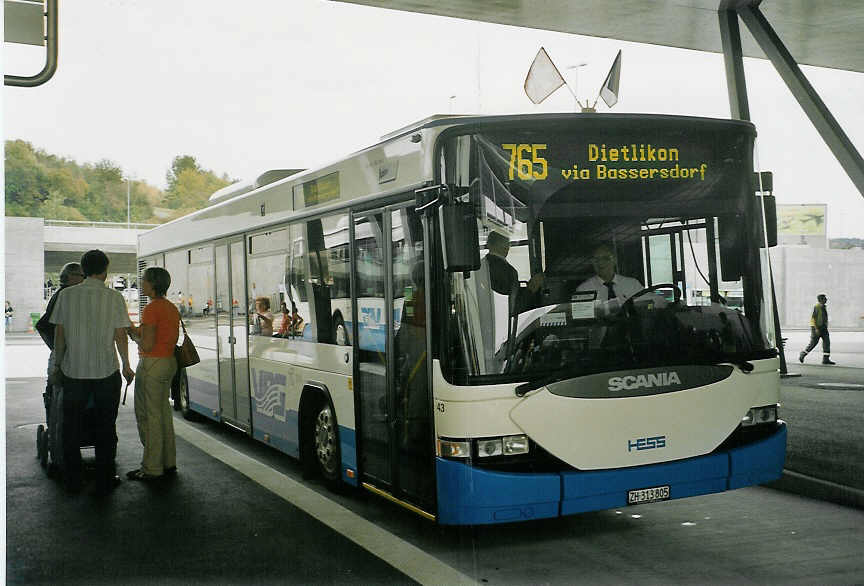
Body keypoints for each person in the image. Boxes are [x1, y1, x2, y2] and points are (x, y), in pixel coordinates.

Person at [48, 250, 134, 494]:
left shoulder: (66, 296)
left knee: (71, 426)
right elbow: (120, 336)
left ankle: (73, 478)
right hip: (106, 372)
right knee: (105, 426)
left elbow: (60, 335)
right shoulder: (114, 298)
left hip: (73, 372)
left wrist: (57, 366)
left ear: (83, 270)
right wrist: (127, 365)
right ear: (105, 270)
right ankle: (105, 478)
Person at [126, 267, 180, 480]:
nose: (141, 284)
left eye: (144, 281)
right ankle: (168, 462)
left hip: (152, 364)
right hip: (168, 362)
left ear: (152, 284)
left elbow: (147, 344)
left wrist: (133, 335)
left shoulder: (151, 309)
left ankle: (151, 467)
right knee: (163, 414)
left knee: (149, 416)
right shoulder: (170, 307)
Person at [37, 263, 85, 410]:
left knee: (58, 396)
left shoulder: (61, 294)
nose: (84, 280)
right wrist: (59, 348)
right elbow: (46, 326)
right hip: (63, 355)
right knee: (61, 400)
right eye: (82, 276)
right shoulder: (65, 296)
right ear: (71, 277)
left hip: (60, 353)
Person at [575, 243, 643, 310]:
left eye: (605, 258)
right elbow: (582, 318)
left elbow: (649, 305)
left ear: (615, 260)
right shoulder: (584, 289)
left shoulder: (632, 284)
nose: (600, 262)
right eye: (596, 260)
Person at [799, 294, 835, 365]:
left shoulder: (823, 307)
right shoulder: (817, 307)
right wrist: (816, 329)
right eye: (825, 298)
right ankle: (803, 354)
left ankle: (826, 359)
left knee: (827, 342)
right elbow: (813, 319)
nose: (826, 299)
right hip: (817, 328)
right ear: (821, 300)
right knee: (813, 343)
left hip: (823, 328)